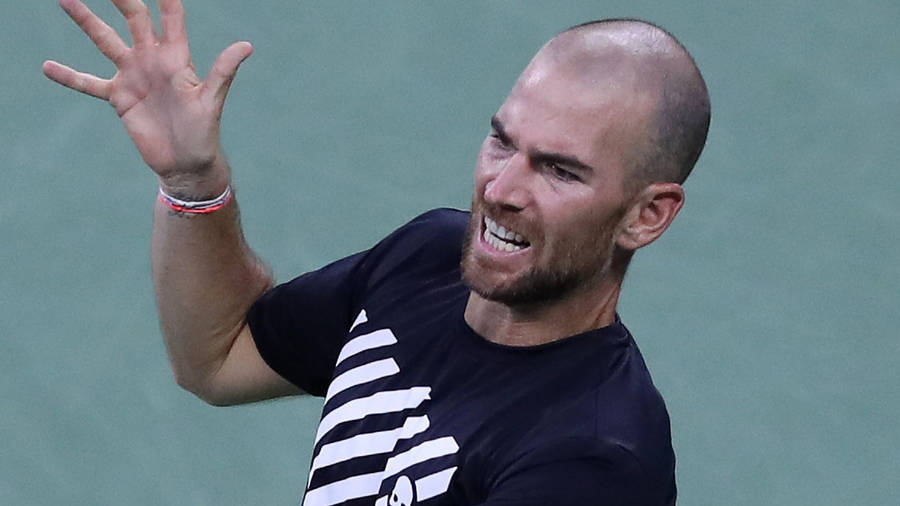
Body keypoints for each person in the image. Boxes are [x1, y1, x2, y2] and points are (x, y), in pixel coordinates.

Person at [44, 1, 710, 504]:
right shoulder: (428, 259)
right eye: (503, 141)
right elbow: (217, 359)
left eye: (560, 171)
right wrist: (192, 183)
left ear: (646, 216)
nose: (500, 189)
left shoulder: (592, 458)